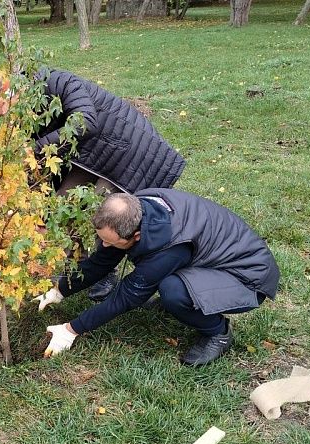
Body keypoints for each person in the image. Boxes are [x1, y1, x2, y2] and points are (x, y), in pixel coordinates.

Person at [35, 189, 280, 366]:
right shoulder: (134, 210)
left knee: (172, 290)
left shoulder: (170, 247)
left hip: (247, 277)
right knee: (160, 279)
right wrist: (60, 290)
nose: (105, 246)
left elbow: (127, 296)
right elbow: (102, 261)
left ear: (137, 236)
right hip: (209, 260)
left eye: (112, 242)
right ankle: (193, 296)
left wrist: (72, 329)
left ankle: (218, 332)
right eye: (103, 238)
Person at [11, 67, 188, 300]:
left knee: (99, 213)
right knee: (63, 204)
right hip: (93, 155)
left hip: (129, 154)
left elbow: (86, 121)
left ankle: (102, 271)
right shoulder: (26, 110)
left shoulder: (59, 82)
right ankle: (75, 269)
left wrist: (32, 150)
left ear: (13, 89)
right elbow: (48, 157)